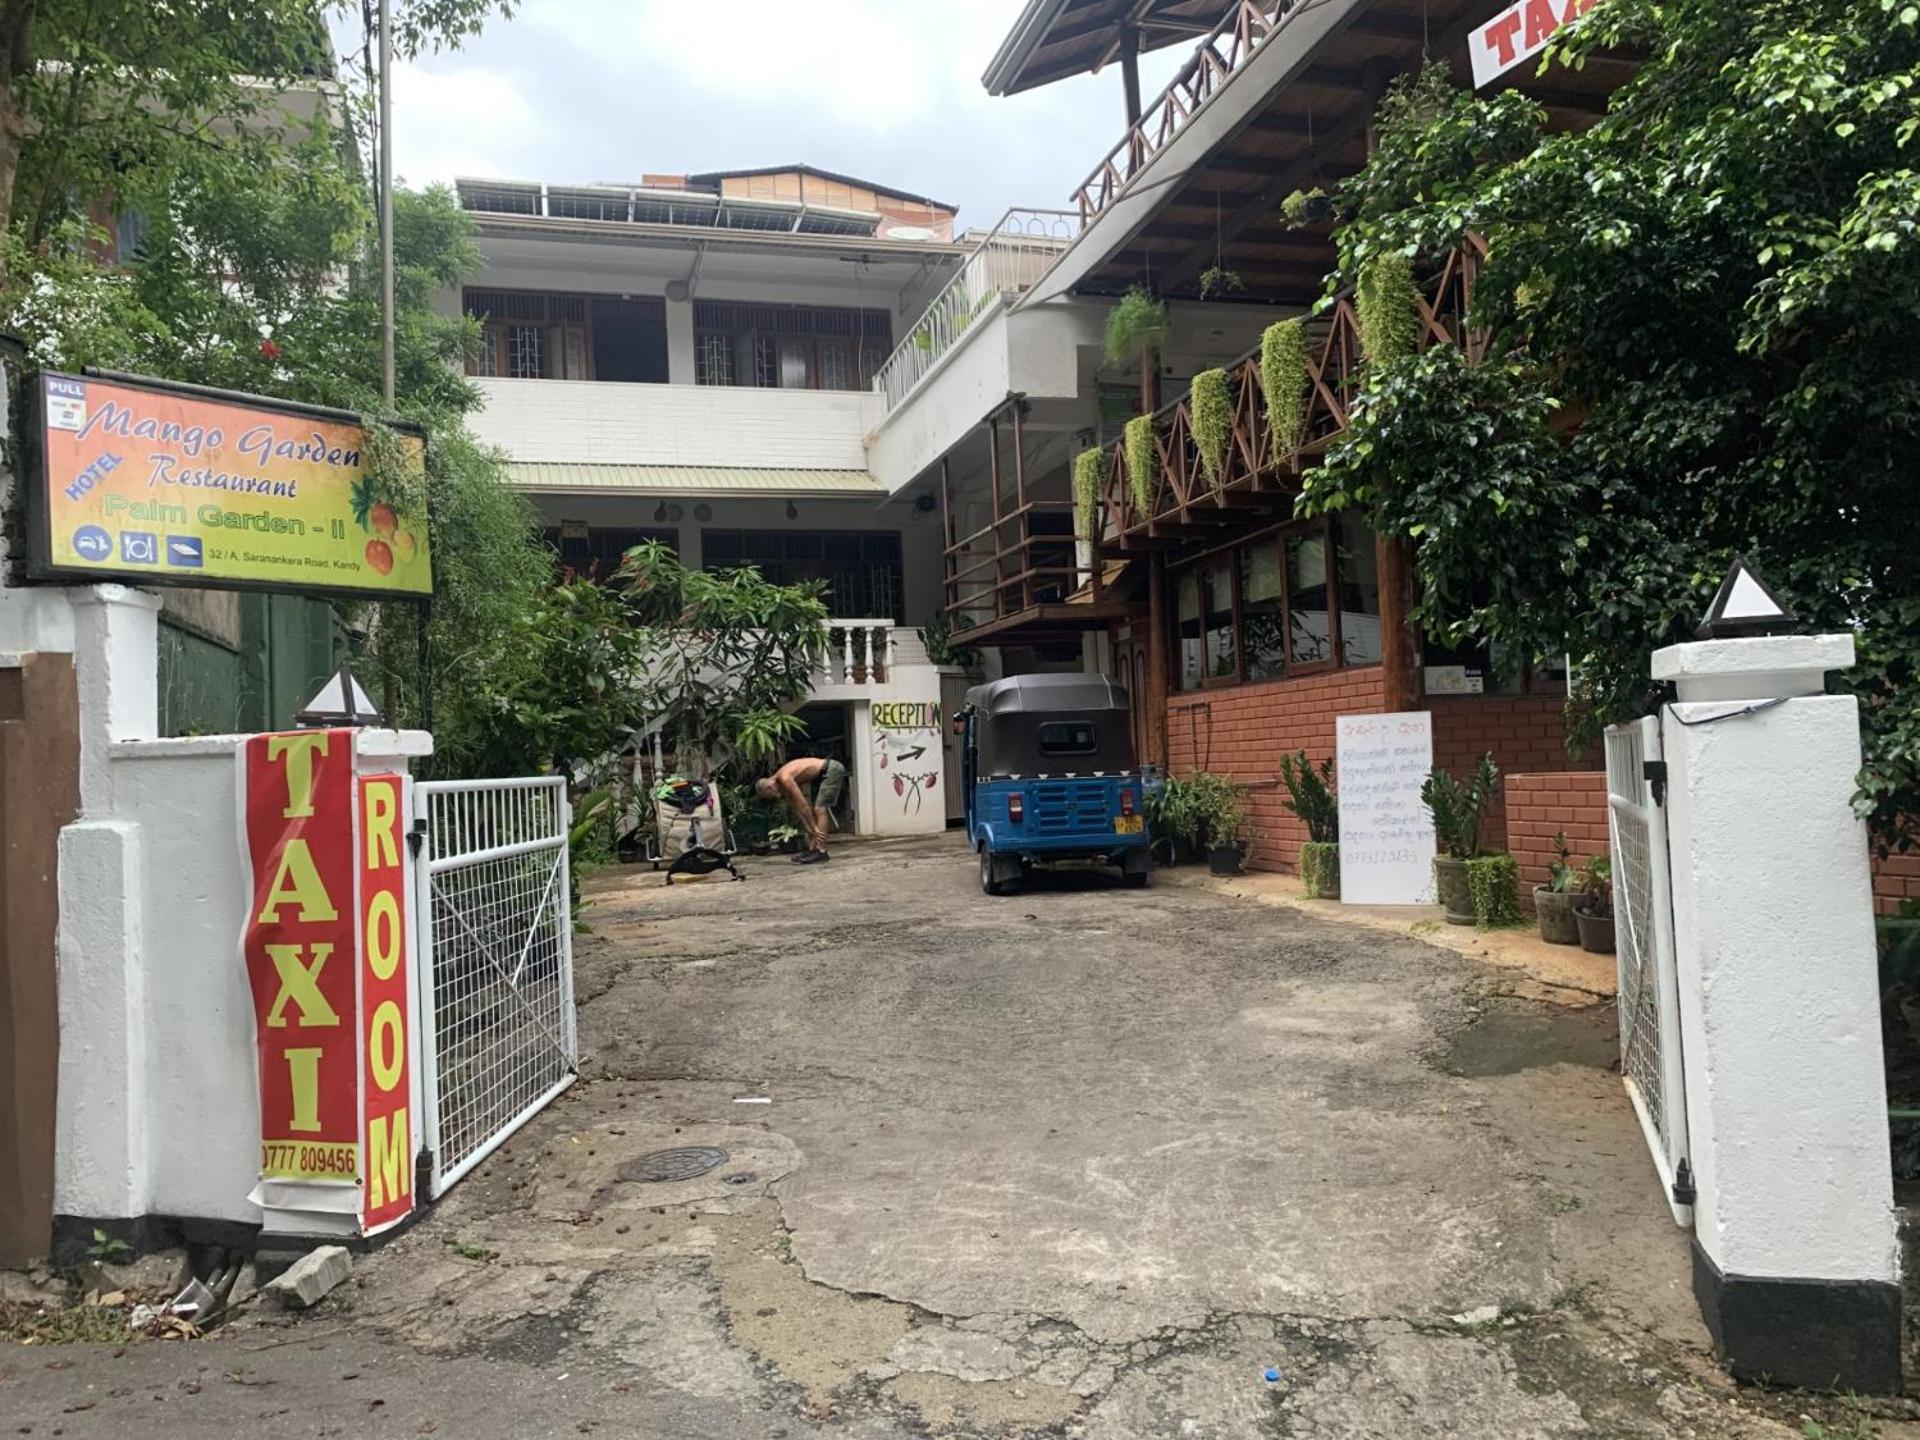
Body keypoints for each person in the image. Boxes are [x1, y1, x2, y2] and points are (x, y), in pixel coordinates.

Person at [755, 755, 845, 864]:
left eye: (770, 795)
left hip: (831, 769)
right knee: (815, 811)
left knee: (820, 809)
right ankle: (812, 851)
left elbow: (803, 804)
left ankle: (821, 851)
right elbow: (796, 807)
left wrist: (814, 828)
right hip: (820, 775)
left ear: (769, 787)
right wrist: (809, 828)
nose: (775, 797)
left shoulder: (785, 778)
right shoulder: (782, 784)